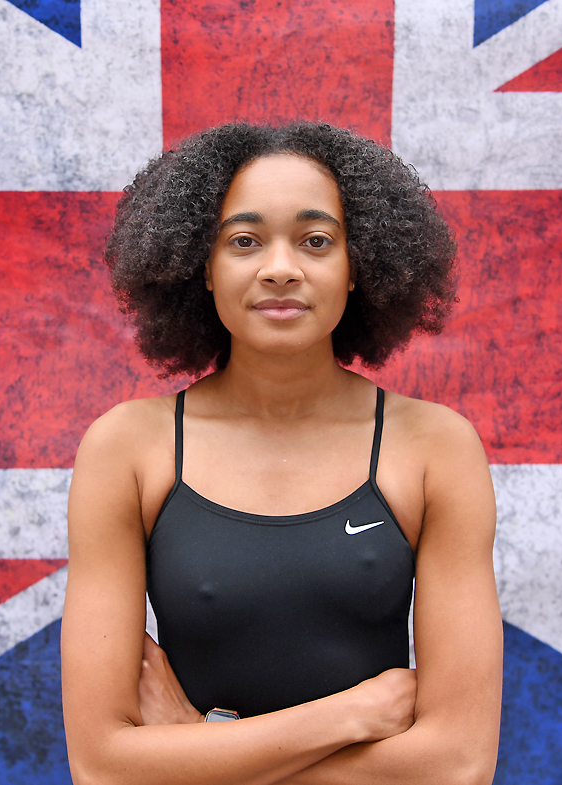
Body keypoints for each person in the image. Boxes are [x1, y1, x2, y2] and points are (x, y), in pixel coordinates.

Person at [62, 122, 502, 785]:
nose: (280, 268)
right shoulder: (127, 449)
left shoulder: (434, 447)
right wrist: (349, 715)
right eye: (243, 241)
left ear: (360, 266)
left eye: (316, 240)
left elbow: (457, 765)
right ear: (202, 268)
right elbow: (102, 767)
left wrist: (199, 745)